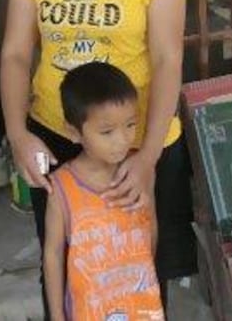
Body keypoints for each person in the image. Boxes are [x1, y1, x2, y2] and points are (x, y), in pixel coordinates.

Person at [0, 0, 193, 317]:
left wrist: (147, 155)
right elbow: (16, 55)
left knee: (136, 268)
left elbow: (169, 57)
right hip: (58, 136)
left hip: (138, 140)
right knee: (65, 264)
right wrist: (18, 133)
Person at [45, 62, 164, 321]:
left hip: (142, 305)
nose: (122, 139)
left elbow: (150, 227)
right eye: (107, 132)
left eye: (131, 125)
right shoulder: (62, 187)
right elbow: (53, 255)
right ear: (74, 132)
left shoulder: (141, 173)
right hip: (88, 311)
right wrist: (56, 315)